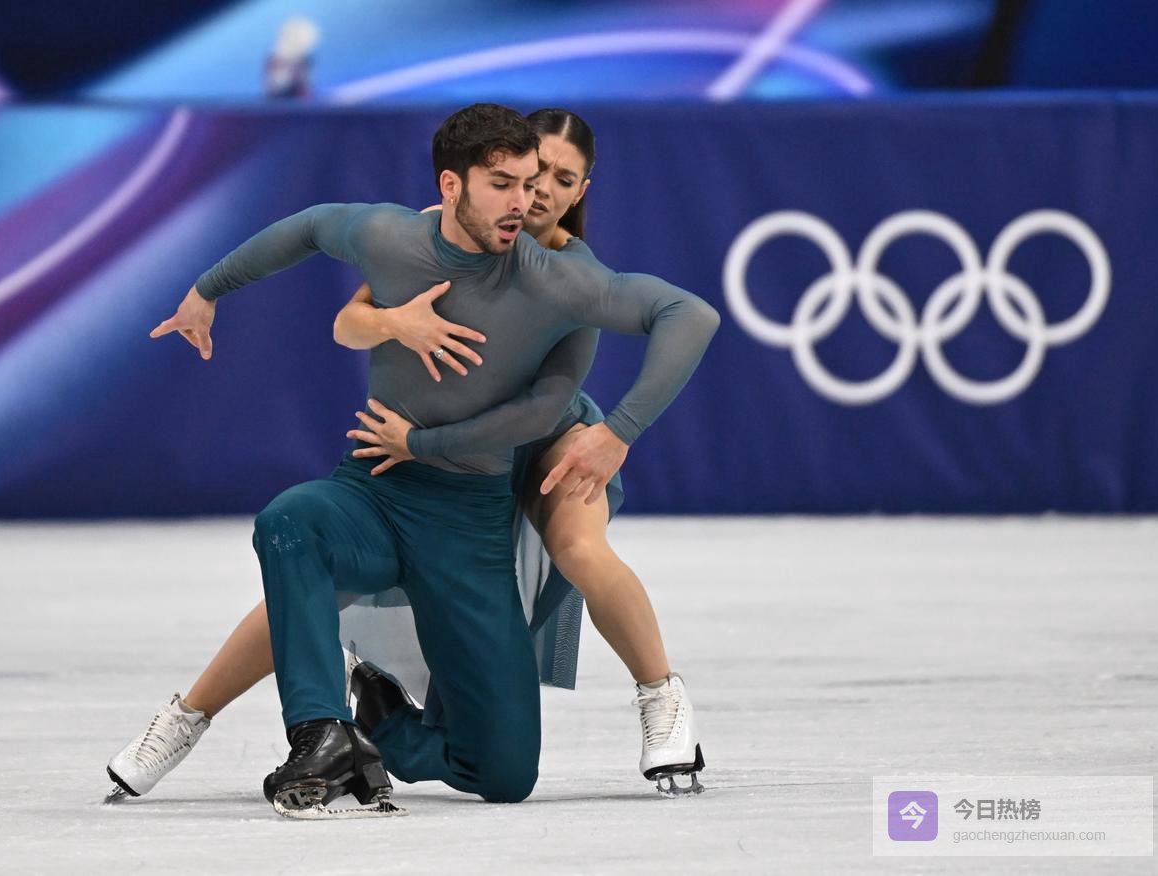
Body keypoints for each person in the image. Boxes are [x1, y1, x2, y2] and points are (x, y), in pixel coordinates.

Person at [132, 104, 718, 815]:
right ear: (454, 183)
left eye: (548, 182)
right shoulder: (402, 237)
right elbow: (324, 257)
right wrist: (210, 291)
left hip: (503, 476)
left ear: (580, 189)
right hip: (387, 481)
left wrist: (618, 431)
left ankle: (651, 693)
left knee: (515, 742)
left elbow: (639, 347)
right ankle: (289, 727)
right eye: (513, 180)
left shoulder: (562, 279)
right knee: (294, 530)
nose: (530, 197)